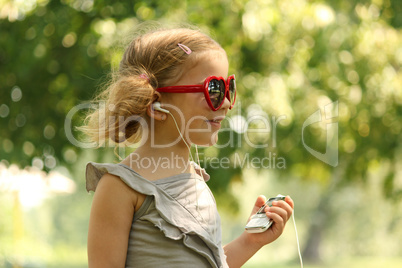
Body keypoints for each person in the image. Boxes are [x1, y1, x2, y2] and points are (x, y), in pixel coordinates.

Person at [81, 27, 294, 268]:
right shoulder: (120, 187)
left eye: (228, 88)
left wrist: (250, 241)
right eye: (213, 89)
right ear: (155, 104)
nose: (225, 103)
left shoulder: (196, 178)